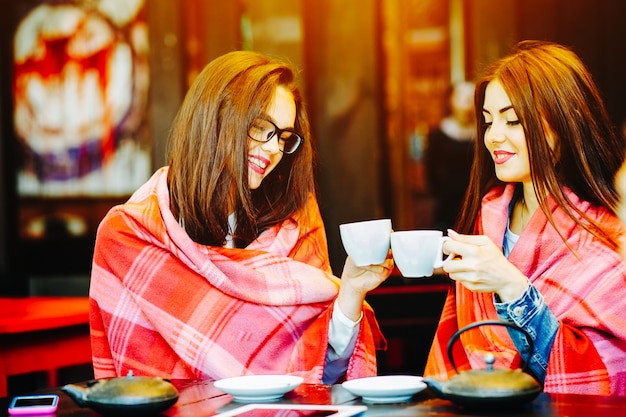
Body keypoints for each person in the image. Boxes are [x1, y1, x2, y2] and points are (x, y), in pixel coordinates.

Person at [89, 50, 394, 384]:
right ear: (214, 118)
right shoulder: (129, 236)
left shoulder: (295, 218)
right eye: (261, 127)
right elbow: (131, 388)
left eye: (283, 136)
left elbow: (325, 376)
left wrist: (350, 293)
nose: (273, 148)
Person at [424, 40, 626, 395]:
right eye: (487, 121)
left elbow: (603, 379)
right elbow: (456, 351)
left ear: (563, 124)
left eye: (513, 120)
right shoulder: (485, 220)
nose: (493, 136)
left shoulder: (606, 235)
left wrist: (514, 288)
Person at [425, 81, 476, 231]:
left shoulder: (483, 134)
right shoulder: (437, 135)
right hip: (446, 206)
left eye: (471, 99)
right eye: (462, 98)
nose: (466, 104)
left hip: (476, 204)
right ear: (451, 100)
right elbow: (431, 175)